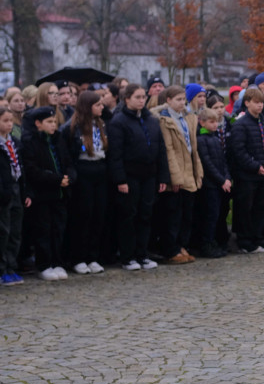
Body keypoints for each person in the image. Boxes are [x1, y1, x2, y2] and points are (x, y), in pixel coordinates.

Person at [107, 83, 169, 271]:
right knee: (129, 216)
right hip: (130, 176)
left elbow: (161, 150)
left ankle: (142, 254)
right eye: (137, 97)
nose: (142, 100)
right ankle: (128, 256)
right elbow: (115, 154)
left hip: (149, 175)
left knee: (145, 214)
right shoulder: (119, 122)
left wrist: (163, 177)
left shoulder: (151, 120)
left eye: (143, 97)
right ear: (127, 99)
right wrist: (120, 179)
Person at [21, 106, 76, 281]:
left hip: (60, 193)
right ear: (38, 123)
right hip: (43, 194)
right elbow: (32, 169)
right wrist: (56, 179)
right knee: (43, 230)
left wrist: (69, 177)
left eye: (55, 122)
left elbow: (68, 161)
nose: (53, 125)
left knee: (58, 229)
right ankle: (44, 264)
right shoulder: (30, 141)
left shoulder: (58, 139)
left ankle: (57, 261)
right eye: (49, 122)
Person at [154, 85, 203, 264]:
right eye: (178, 100)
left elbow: (193, 148)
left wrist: (198, 171)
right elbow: (169, 150)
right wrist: (174, 177)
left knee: (187, 214)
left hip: (189, 169)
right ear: (168, 100)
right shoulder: (164, 120)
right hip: (176, 171)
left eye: (184, 99)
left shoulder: (188, 117)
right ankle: (170, 248)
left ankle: (181, 245)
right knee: (173, 214)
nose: (182, 103)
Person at [62, 91, 110, 274]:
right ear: (87, 107)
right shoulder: (72, 127)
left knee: (99, 214)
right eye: (98, 105)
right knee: (83, 215)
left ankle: (93, 256)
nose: (102, 107)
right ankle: (78, 257)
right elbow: (68, 153)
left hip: (100, 169)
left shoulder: (101, 124)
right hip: (83, 170)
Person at [229, 87, 264, 254]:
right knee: (245, 209)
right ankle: (245, 241)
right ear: (247, 103)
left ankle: (258, 238)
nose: (260, 106)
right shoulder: (240, 124)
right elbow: (239, 151)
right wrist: (256, 167)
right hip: (247, 176)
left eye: (261, 102)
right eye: (256, 102)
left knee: (261, 207)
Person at [195, 108, 230, 258]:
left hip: (220, 183)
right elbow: (207, 163)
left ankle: (213, 241)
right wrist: (221, 180)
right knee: (210, 215)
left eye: (216, 121)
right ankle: (206, 243)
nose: (215, 124)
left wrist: (227, 177)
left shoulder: (215, 138)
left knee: (217, 214)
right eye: (211, 122)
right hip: (210, 184)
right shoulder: (201, 140)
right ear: (202, 122)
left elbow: (223, 160)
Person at [0, 105, 27, 284]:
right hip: (4, 191)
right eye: (5, 121)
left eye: (11, 121)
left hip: (16, 188)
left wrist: (25, 192)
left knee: (15, 231)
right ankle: (2, 268)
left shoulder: (14, 142)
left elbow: (21, 168)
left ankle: (11, 265)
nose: (9, 124)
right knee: (3, 231)